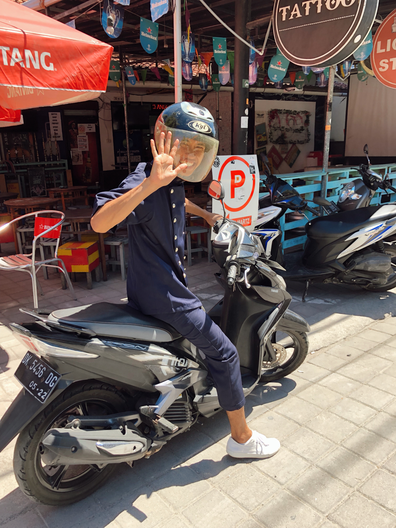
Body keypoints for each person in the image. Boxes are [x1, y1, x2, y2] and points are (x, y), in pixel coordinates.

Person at [91, 102, 280, 459]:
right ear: (162, 140)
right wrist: (149, 184)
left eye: (200, 149)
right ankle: (241, 438)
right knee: (224, 354)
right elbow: (100, 223)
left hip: (153, 290)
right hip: (167, 297)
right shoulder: (148, 179)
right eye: (184, 145)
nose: (191, 155)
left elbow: (176, 200)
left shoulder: (171, 179)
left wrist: (206, 215)